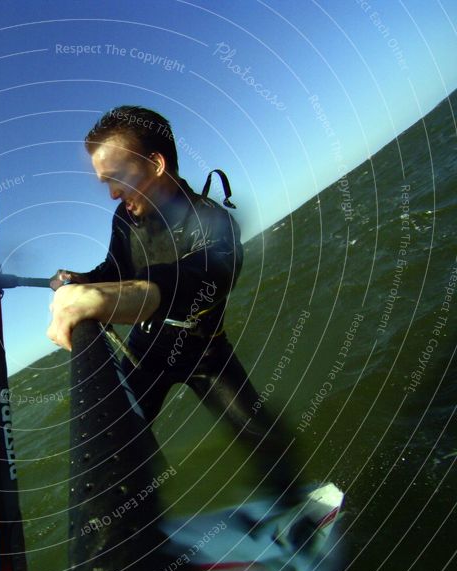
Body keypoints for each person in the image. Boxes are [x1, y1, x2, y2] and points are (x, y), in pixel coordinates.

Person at [47, 105, 303, 507]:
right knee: (120, 446)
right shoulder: (125, 218)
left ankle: (292, 510)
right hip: (146, 350)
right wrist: (82, 280)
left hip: (205, 350)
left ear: (156, 163)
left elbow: (199, 278)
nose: (112, 193)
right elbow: (115, 267)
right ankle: (147, 529)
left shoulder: (215, 224)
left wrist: (101, 300)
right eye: (105, 183)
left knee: (262, 435)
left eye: (117, 178)